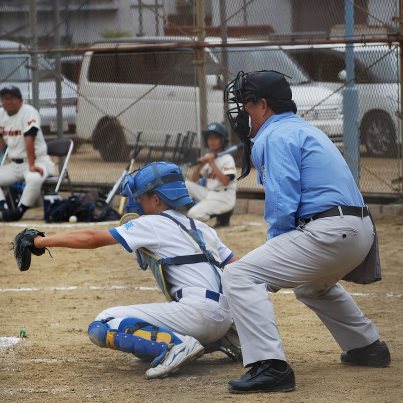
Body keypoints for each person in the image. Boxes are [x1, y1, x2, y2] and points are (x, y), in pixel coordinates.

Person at [221, 70, 391, 394]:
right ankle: (366, 346)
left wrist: (271, 253)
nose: (242, 111)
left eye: (246, 104)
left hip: (330, 230)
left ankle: (270, 367)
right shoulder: (299, 128)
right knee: (312, 287)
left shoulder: (275, 136)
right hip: (359, 231)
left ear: (263, 105)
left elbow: (283, 201)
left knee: (239, 276)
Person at [28, 161, 239, 379]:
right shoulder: (202, 227)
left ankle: (176, 345)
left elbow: (92, 239)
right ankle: (225, 338)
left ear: (156, 199)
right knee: (146, 338)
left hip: (197, 315)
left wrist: (41, 242)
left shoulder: (152, 222)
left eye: (140, 197)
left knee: (104, 322)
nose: (135, 202)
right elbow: (237, 269)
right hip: (224, 319)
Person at [0, 85, 55, 221]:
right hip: (14, 165)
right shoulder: (1, 114)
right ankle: (3, 210)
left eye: (12, 98)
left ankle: (20, 211)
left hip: (38, 162)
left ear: (20, 100)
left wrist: (31, 165)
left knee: (34, 178)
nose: (9, 102)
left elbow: (29, 138)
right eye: (5, 99)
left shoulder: (29, 111)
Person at [186, 122, 236, 226]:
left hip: (224, 197)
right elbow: (194, 180)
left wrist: (212, 163)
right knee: (185, 184)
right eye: (209, 138)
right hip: (209, 193)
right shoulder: (209, 156)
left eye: (215, 138)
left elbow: (226, 181)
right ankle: (185, 209)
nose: (212, 141)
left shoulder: (227, 158)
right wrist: (201, 164)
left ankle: (218, 215)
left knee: (192, 214)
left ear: (222, 140)